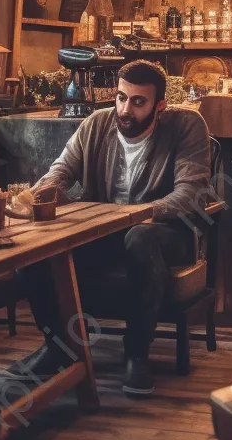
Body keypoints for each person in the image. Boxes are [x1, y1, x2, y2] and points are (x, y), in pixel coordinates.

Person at [12, 60, 211, 397]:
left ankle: (136, 353)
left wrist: (133, 215)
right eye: (121, 98)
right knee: (34, 246)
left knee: (140, 236)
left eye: (138, 102)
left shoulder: (187, 125)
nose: (125, 110)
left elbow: (190, 195)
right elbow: (60, 170)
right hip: (103, 234)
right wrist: (38, 195)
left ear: (159, 106)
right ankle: (58, 346)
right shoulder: (96, 124)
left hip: (166, 232)